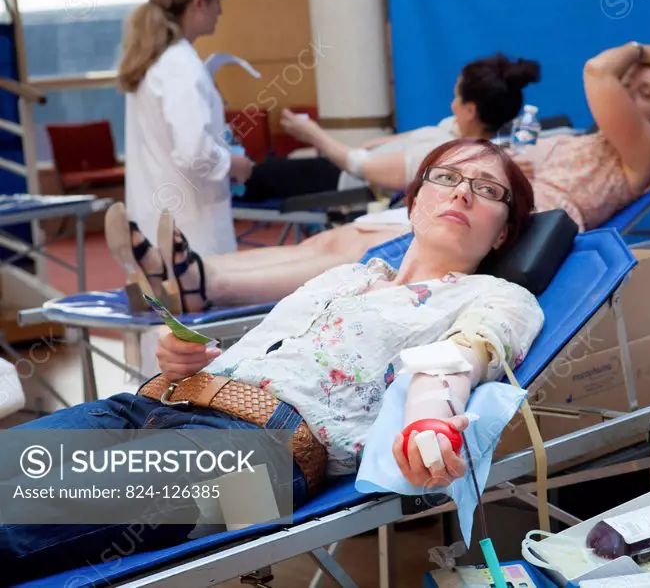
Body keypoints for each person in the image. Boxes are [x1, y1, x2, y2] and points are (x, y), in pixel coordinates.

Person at [1, 139, 544, 584]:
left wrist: (427, 420)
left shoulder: (497, 296)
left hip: (261, 460)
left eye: (488, 189)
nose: (463, 192)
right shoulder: (347, 276)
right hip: (148, 405)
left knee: (13, 522)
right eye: (446, 177)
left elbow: (454, 361)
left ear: (502, 231)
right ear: (414, 201)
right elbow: (250, 356)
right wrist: (178, 360)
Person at [107, 41, 650, 313]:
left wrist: (641, 51)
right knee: (334, 239)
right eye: (633, 86)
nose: (633, 99)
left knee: (362, 250)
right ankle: (178, 275)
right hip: (496, 199)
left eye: (649, 94)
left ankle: (207, 285)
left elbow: (596, 72)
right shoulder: (584, 140)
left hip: (510, 222)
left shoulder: (645, 153)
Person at [237, 53, 542, 202]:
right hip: (344, 166)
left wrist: (312, 133)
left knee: (259, 174)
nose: (452, 104)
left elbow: (361, 167)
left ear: (471, 110)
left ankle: (232, 176)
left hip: (341, 183)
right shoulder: (457, 132)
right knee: (289, 161)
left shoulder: (441, 155)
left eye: (456, 97)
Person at [117, 0, 253, 264]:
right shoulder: (181, 65)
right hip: (190, 231)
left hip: (158, 219)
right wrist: (236, 164)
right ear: (198, 2)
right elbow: (195, 155)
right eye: (218, 0)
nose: (221, 10)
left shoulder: (153, 59)